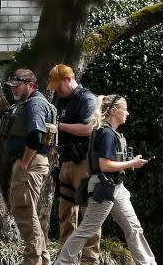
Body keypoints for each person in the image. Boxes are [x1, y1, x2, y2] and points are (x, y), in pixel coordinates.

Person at [54, 95, 156, 265]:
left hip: (117, 187)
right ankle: (61, 263)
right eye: (125, 109)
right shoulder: (106, 134)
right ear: (114, 111)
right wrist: (132, 163)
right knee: (87, 229)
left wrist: (131, 161)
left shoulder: (112, 133)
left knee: (134, 228)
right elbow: (104, 165)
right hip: (104, 186)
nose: (128, 113)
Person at [1, 69, 57, 265]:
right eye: (12, 85)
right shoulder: (28, 103)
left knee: (24, 211)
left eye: (18, 85)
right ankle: (42, 260)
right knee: (27, 213)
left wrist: (24, 163)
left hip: (30, 163)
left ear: (31, 84)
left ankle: (32, 261)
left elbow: (35, 136)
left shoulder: (34, 104)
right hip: (30, 162)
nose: (14, 89)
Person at [49, 63, 100, 264]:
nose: (56, 91)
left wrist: (58, 126)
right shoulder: (63, 100)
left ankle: (90, 259)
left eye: (58, 85)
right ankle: (66, 258)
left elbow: (89, 128)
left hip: (83, 163)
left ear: (68, 79)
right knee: (65, 213)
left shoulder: (86, 98)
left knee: (89, 213)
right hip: (66, 162)